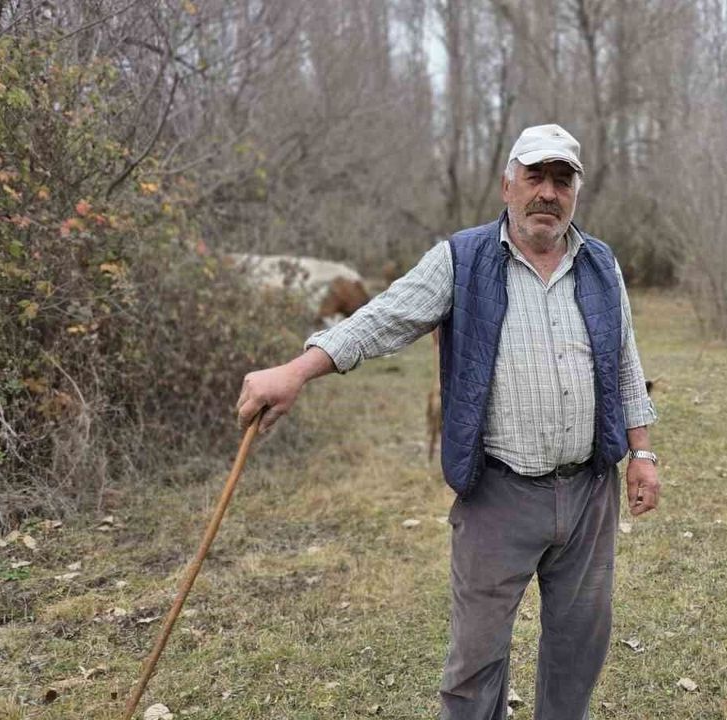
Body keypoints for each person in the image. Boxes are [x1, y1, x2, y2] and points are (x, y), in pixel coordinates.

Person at [235, 123, 660, 720]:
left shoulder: (600, 264)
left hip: (591, 493)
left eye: (562, 181)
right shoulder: (462, 259)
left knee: (577, 652)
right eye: (535, 176)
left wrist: (641, 453)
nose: (548, 192)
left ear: (575, 193)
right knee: (475, 665)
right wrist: (298, 370)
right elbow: (384, 318)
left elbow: (625, 362)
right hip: (498, 495)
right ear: (507, 185)